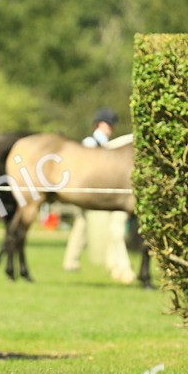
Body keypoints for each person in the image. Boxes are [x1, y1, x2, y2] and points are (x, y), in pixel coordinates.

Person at [62, 108, 135, 283]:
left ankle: (109, 262)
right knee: (81, 226)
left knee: (99, 228)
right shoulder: (90, 143)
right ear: (98, 124)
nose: (110, 127)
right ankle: (71, 261)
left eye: (111, 124)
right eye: (107, 124)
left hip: (104, 194)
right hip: (89, 192)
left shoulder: (108, 144)